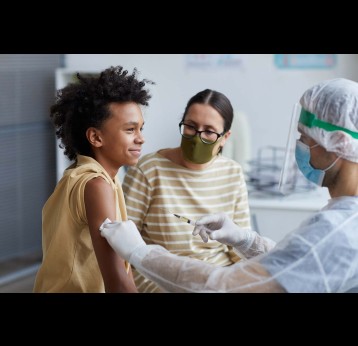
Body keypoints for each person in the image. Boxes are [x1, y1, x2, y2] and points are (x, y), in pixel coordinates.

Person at [100, 78, 358, 293]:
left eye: (305, 138)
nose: (299, 147)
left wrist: (139, 252)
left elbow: (225, 286)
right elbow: (292, 262)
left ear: (338, 143)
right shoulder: (343, 220)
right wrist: (244, 239)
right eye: (190, 126)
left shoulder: (340, 231)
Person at [33, 66, 154, 293]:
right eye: (130, 130)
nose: (141, 139)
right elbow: (117, 282)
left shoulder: (86, 175)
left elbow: (121, 268)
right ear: (96, 137)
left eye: (140, 128)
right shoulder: (95, 186)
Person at [122, 89, 251, 292]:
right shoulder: (148, 170)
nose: (197, 137)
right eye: (191, 126)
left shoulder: (232, 173)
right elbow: (124, 244)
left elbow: (240, 252)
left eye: (209, 131)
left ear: (225, 137)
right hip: (160, 280)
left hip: (217, 281)